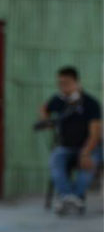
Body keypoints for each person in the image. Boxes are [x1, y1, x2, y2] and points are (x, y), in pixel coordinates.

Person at [40, 66, 102, 215]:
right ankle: (69, 197)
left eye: (66, 83)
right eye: (60, 84)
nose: (63, 87)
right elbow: (44, 109)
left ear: (76, 82)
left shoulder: (91, 104)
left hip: (89, 147)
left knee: (87, 166)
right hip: (66, 147)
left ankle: (75, 197)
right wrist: (46, 120)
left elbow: (96, 134)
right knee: (55, 161)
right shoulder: (59, 101)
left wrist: (86, 153)